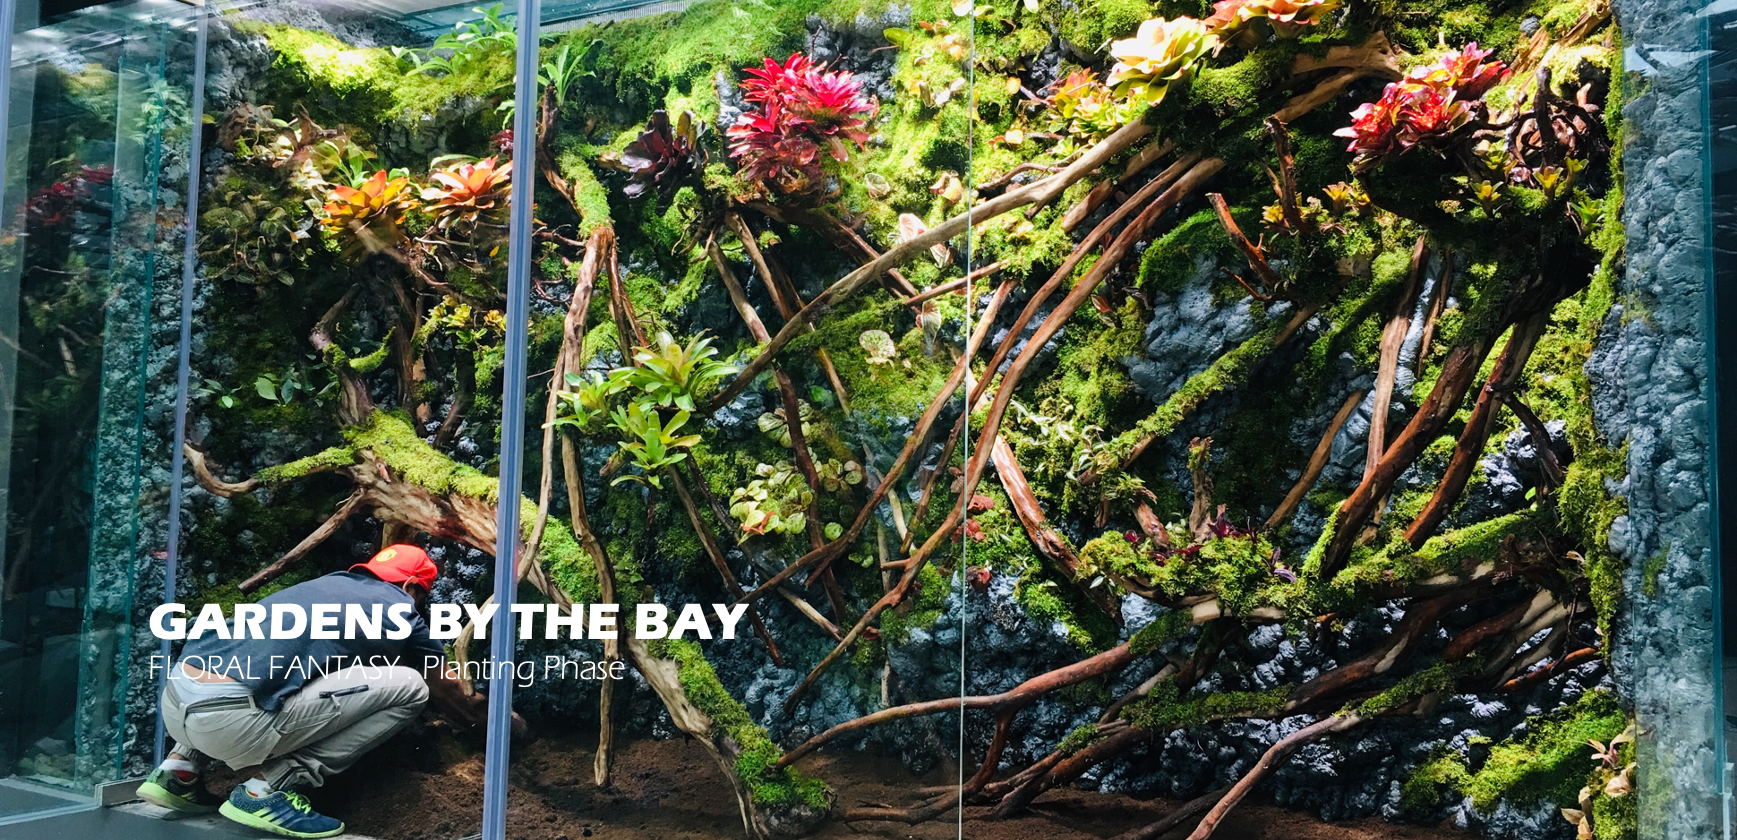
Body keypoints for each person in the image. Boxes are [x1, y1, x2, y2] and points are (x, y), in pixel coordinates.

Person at [137, 545, 496, 838]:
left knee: (263, 664)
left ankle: (179, 770)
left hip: (176, 701)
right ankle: (266, 789)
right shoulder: (402, 608)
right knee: (412, 688)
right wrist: (501, 724)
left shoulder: (324, 585)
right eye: (423, 596)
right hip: (232, 723)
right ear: (412, 587)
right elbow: (447, 688)